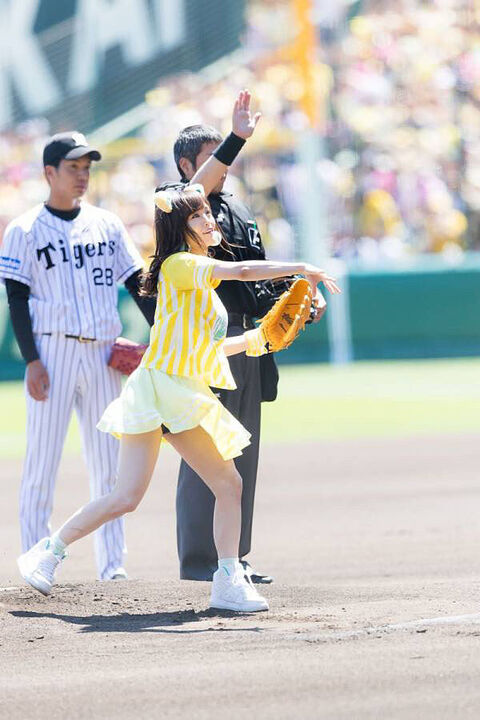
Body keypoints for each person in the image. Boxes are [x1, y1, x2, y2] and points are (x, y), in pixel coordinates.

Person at [16, 184, 340, 612]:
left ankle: (48, 551)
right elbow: (243, 272)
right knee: (221, 486)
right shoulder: (181, 264)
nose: (208, 220)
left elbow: (205, 350)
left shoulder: (197, 278)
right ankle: (227, 579)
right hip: (166, 389)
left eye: (207, 212)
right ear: (179, 228)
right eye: (196, 216)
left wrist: (256, 339)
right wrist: (301, 266)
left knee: (134, 496)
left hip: (168, 388)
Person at [159, 98, 327, 583]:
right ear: (187, 165)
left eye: (226, 154)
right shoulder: (177, 204)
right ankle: (199, 560)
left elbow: (258, 269)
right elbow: (197, 190)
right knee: (205, 450)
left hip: (247, 337)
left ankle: (234, 555)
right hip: (203, 340)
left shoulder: (234, 207)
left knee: (241, 448)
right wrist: (236, 138)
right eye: (214, 156)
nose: (226, 165)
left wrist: (298, 296)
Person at [0, 131, 156, 581]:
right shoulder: (24, 229)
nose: (82, 175)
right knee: (42, 462)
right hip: (52, 350)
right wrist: (32, 359)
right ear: (49, 173)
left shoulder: (106, 223)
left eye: (86, 167)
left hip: (105, 353)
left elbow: (136, 283)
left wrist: (162, 330)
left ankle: (112, 565)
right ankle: (35, 559)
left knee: (109, 463)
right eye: (73, 167)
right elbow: (16, 299)